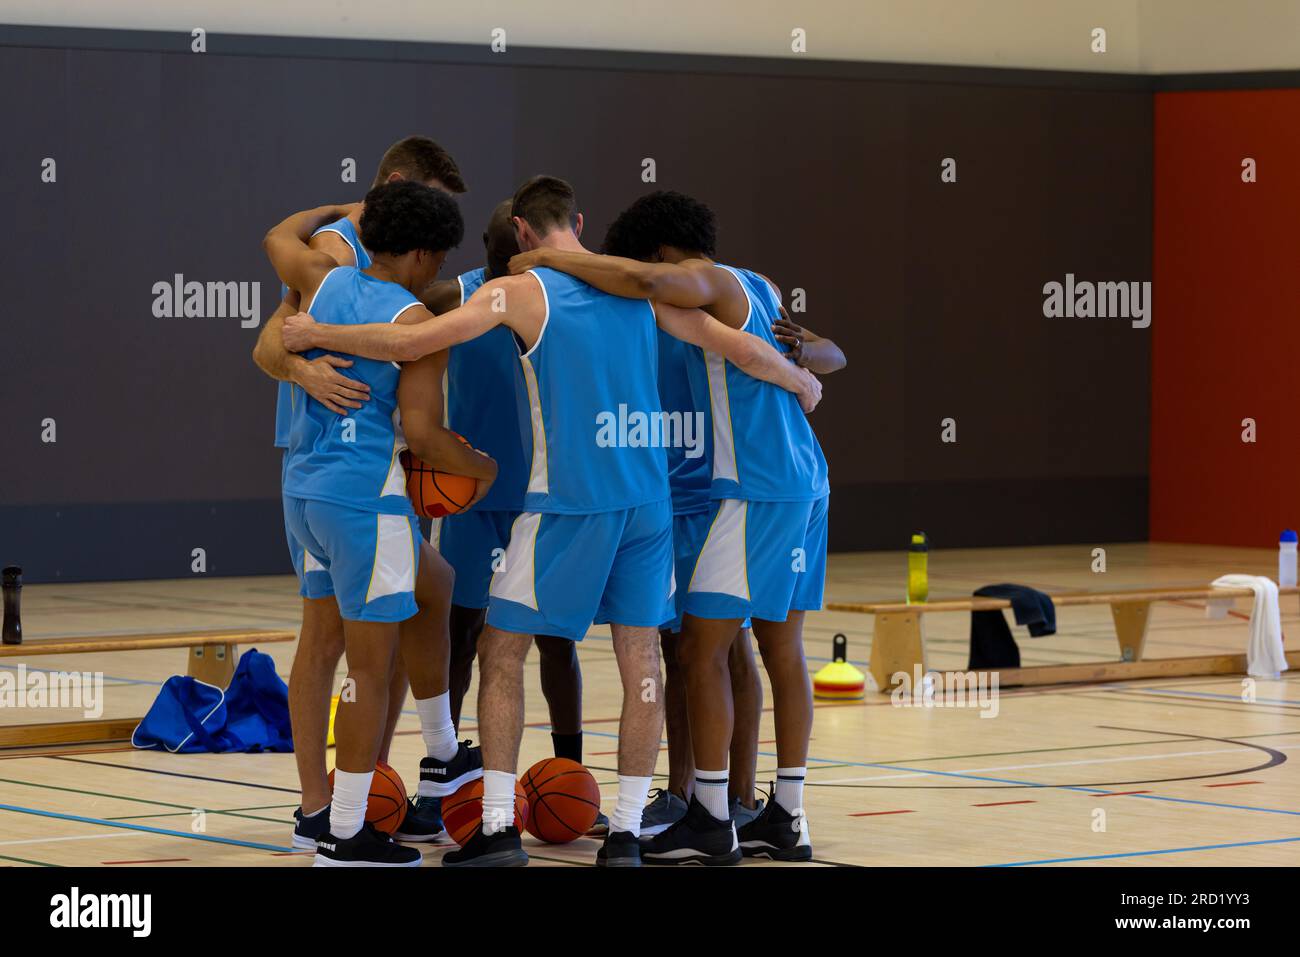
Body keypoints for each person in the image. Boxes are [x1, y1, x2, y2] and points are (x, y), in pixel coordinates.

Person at [279, 175, 822, 866]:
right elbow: (738, 346)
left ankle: (499, 826)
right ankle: (625, 833)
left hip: (570, 501)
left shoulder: (517, 290)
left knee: (500, 651)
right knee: (642, 662)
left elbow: (415, 342)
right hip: (648, 502)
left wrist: (315, 332)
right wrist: (803, 379)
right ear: (579, 222)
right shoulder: (636, 290)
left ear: (523, 235)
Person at [508, 189, 837, 864]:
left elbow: (645, 282)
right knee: (781, 649)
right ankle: (787, 816)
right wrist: (810, 364)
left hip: (755, 486)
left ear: (659, 249)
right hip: (805, 478)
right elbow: (825, 353)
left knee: (701, 649)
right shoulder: (762, 285)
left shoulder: (706, 282)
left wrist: (548, 256)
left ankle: (715, 813)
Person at [263, 181, 492, 865]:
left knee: (433, 583)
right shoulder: (419, 323)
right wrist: (480, 468)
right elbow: (422, 434)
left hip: (304, 495)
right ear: (422, 253)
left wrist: (333, 210)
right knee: (366, 665)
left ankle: (442, 754)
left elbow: (277, 235)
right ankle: (346, 832)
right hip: (368, 500)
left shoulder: (324, 283)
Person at [421, 201, 610, 831]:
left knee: (555, 639)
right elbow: (395, 297)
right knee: (461, 632)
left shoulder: (561, 294)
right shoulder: (459, 293)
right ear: (490, 250)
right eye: (502, 253)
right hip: (472, 495)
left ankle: (569, 773)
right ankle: (441, 766)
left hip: (544, 493)